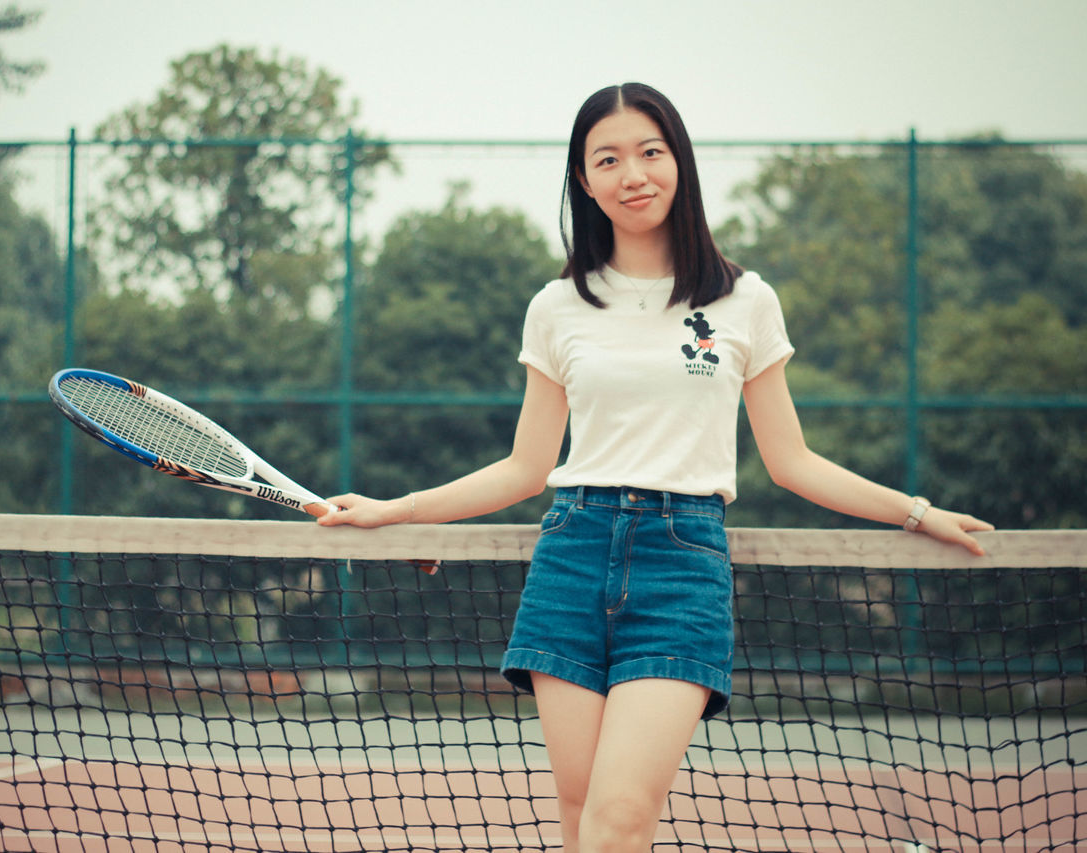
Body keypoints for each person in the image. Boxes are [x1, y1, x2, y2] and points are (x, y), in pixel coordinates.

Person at [317, 82, 993, 853]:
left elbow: (792, 461)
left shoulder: (745, 299)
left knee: (620, 814)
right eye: (607, 158)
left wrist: (916, 509)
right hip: (571, 554)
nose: (632, 173)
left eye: (650, 151)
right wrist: (397, 509)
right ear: (583, 179)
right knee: (578, 817)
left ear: (679, 160)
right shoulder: (557, 305)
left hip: (682, 564)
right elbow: (526, 467)